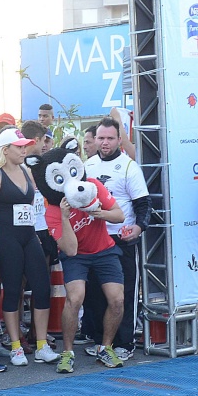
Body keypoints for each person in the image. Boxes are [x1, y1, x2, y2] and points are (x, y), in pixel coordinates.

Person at [47, 156, 126, 372]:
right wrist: (65, 218)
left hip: (104, 250)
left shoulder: (92, 186)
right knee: (75, 298)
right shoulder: (53, 208)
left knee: (117, 299)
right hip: (77, 255)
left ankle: (105, 348)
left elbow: (119, 216)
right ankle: (67, 352)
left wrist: (100, 213)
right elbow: (71, 250)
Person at [81, 116, 150, 360]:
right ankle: (101, 341)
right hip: (94, 240)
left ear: (119, 140)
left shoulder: (129, 166)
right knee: (96, 293)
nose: (105, 143)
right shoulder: (87, 166)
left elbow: (144, 205)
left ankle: (124, 343)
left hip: (122, 239)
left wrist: (138, 228)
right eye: (101, 138)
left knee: (124, 294)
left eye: (110, 138)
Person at [0, 129, 52, 367]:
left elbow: (31, 205)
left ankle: (41, 344)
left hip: (29, 235)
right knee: (12, 289)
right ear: (5, 150)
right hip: (6, 237)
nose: (24, 150)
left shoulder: (26, 172)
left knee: (41, 287)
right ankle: (15, 346)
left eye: (25, 146)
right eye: (19, 147)